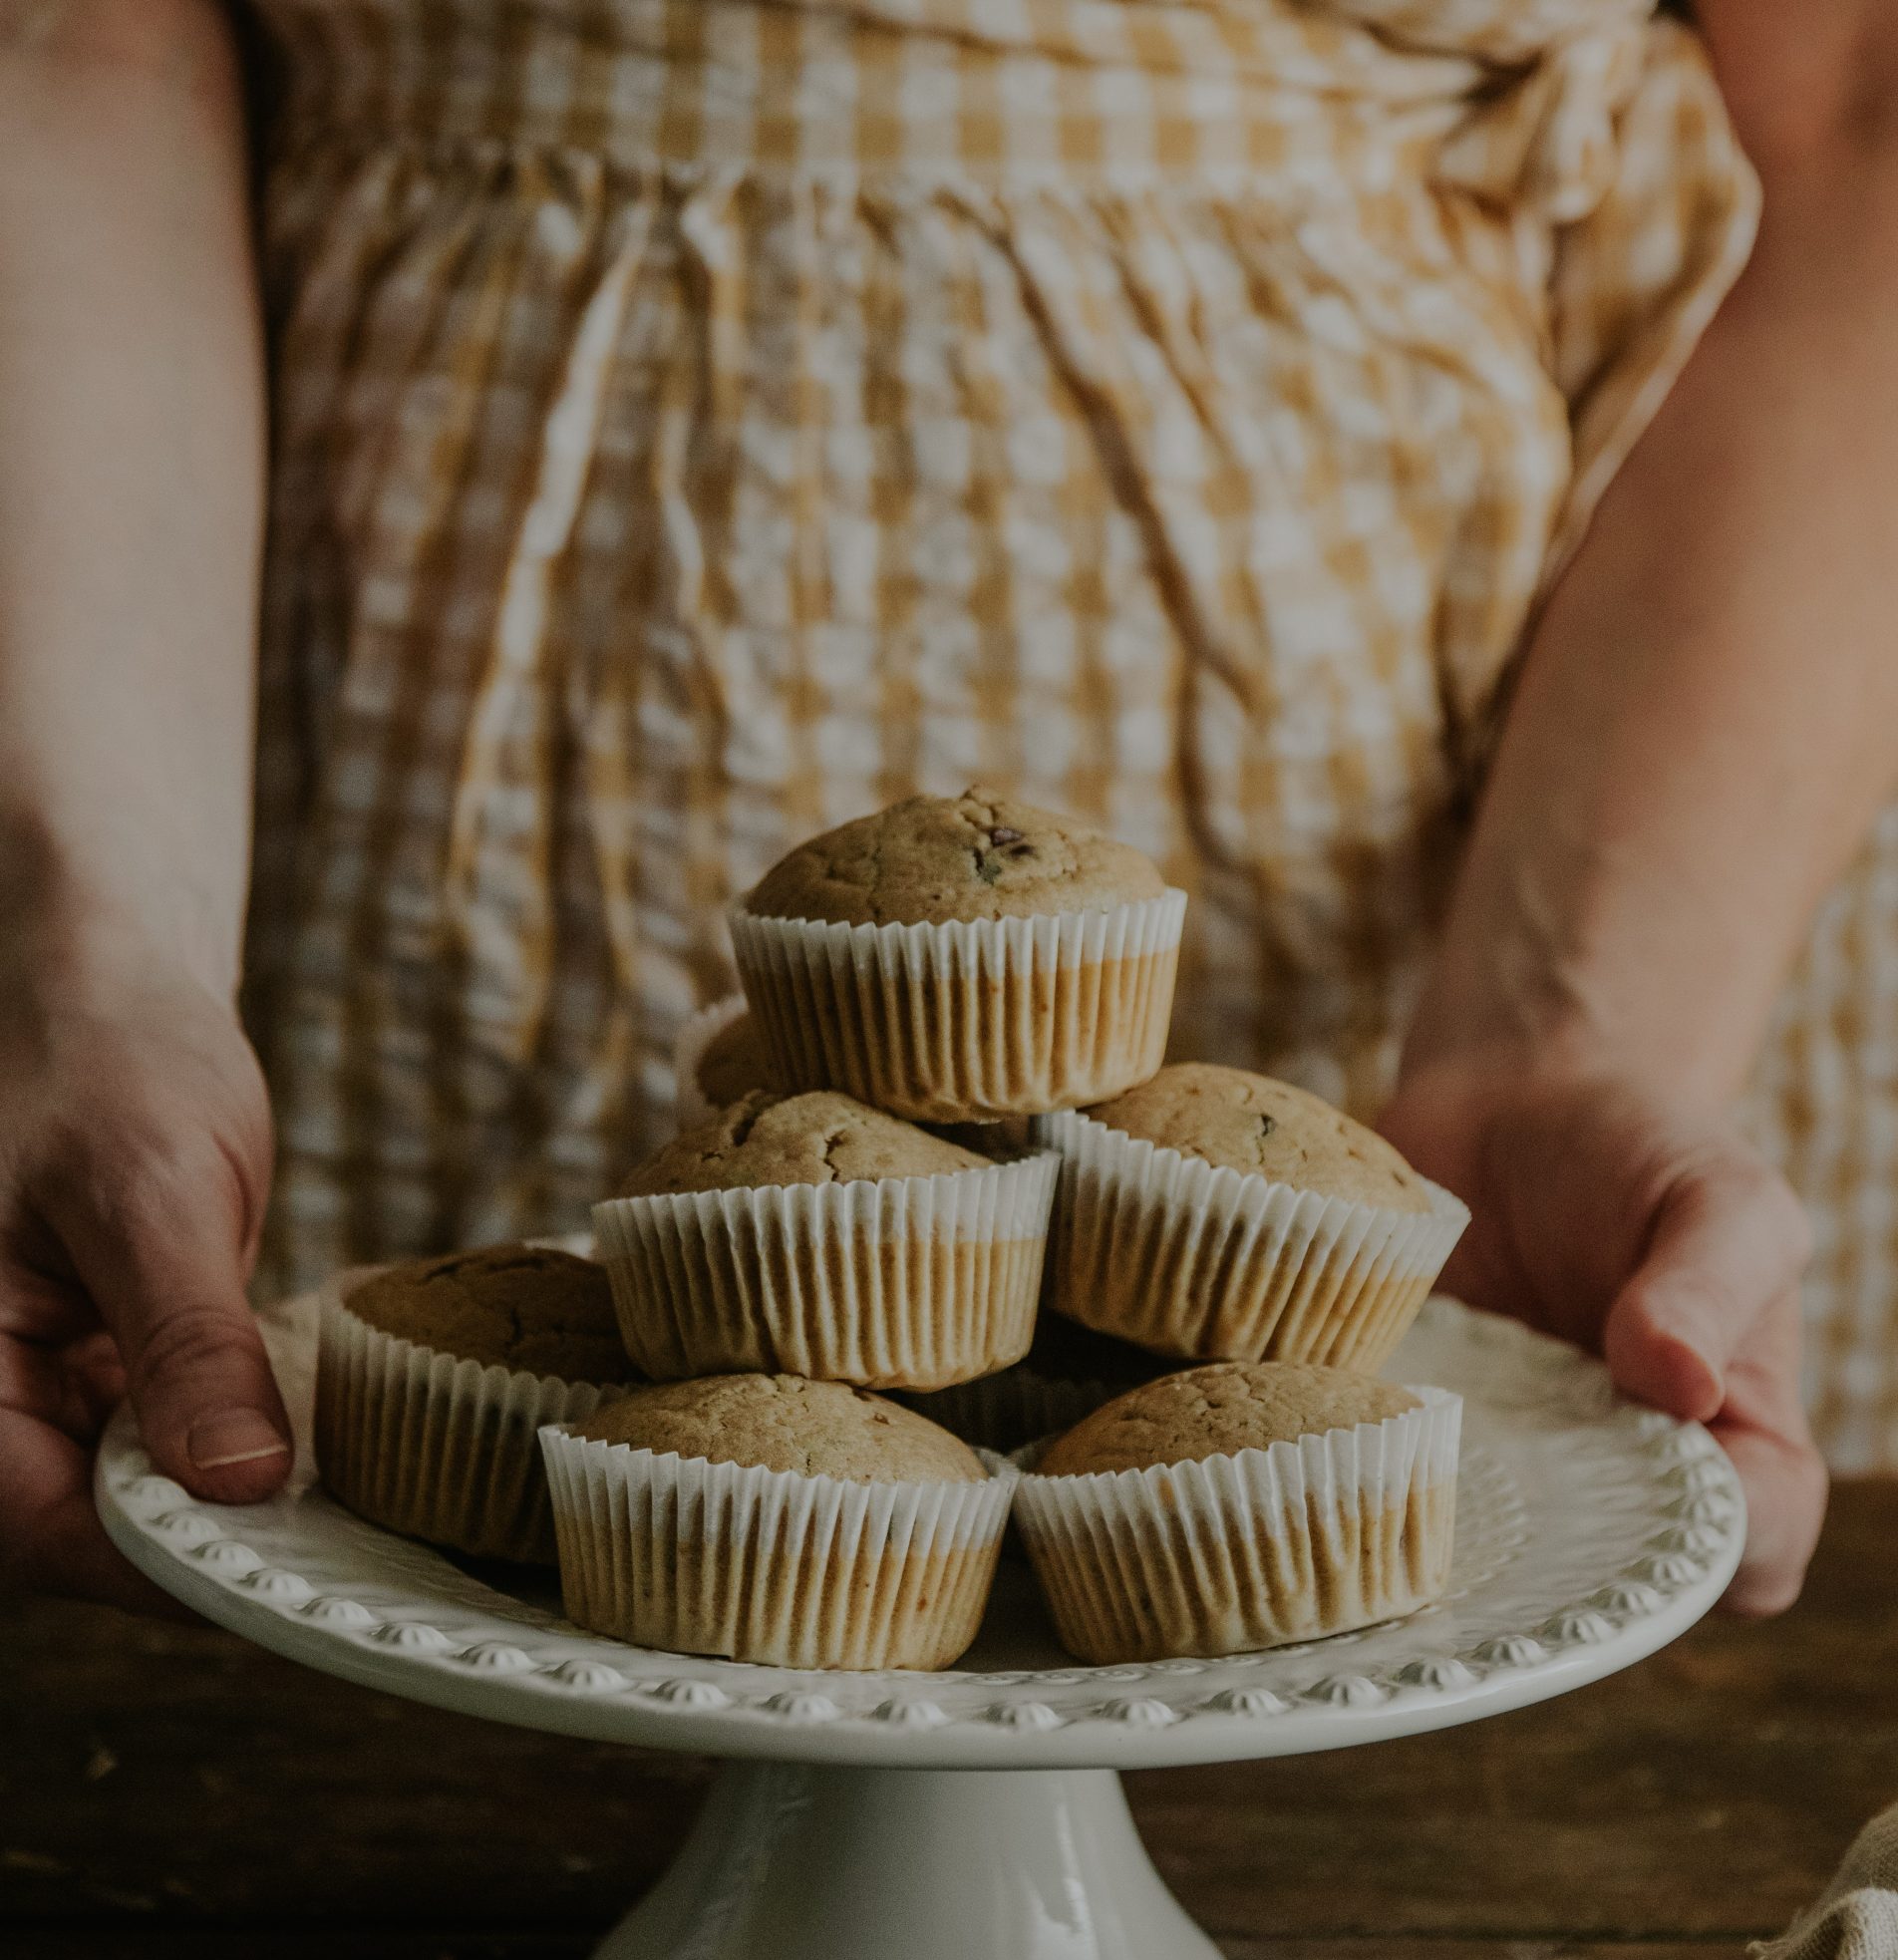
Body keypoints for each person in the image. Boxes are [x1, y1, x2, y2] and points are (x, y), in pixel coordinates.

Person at [4, 0, 1889, 1619]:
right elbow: (74, 32)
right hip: (311, 798)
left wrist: (1560, 1039)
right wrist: (91, 953)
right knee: (412, 1592)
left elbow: (1866, 108)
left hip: (1455, 880)